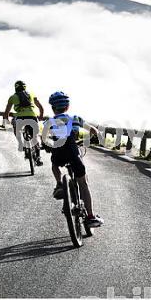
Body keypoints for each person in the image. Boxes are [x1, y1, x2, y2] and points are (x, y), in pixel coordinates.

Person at [43, 91, 104, 228]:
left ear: (53, 108)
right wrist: (97, 136)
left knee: (54, 164)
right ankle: (90, 216)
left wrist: (46, 145)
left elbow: (44, 138)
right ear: (68, 106)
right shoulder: (75, 118)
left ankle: (59, 184)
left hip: (58, 154)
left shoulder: (49, 122)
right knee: (83, 183)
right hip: (72, 153)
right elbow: (93, 130)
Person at [3, 80, 44, 166]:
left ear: (16, 88)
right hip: (32, 116)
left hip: (19, 118)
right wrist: (40, 116)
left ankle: (21, 143)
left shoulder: (12, 97)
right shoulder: (32, 94)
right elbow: (40, 107)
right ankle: (38, 157)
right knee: (35, 136)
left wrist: (6, 121)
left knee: (15, 127)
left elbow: (7, 112)